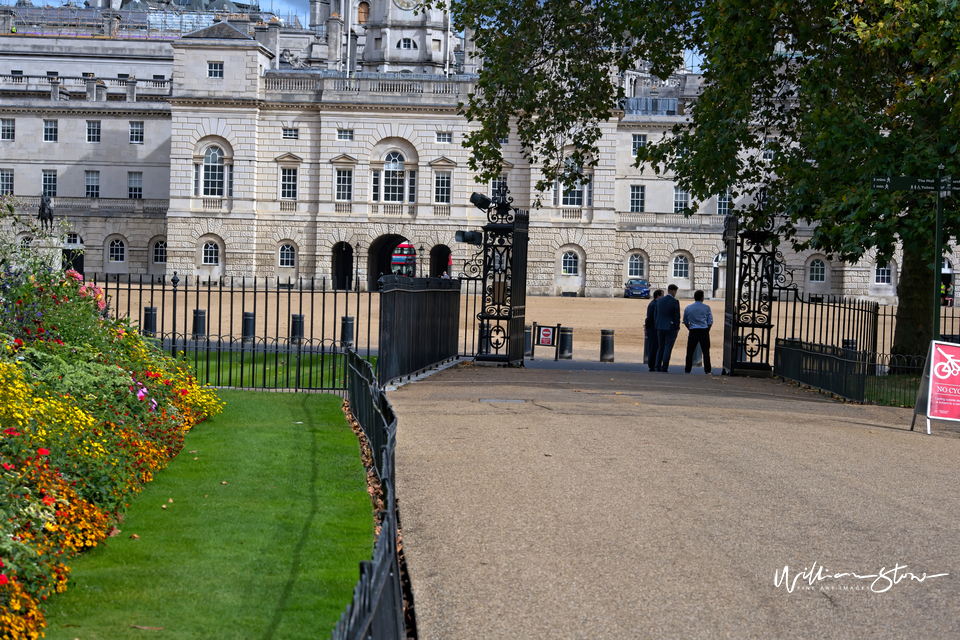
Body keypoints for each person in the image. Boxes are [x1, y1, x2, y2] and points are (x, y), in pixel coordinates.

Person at [683, 289, 713, 374]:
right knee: (706, 352)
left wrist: (690, 328)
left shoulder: (688, 307)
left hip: (693, 330)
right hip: (703, 330)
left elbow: (685, 321)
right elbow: (710, 321)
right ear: (702, 298)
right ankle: (707, 370)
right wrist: (707, 330)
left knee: (690, 351)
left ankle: (687, 369)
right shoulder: (707, 308)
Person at [653, 284, 681, 372]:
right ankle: (664, 367)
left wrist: (656, 323)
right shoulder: (675, 302)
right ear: (674, 292)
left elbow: (655, 314)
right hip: (670, 326)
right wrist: (677, 327)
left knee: (660, 347)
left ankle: (657, 366)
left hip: (659, 325)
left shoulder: (660, 300)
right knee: (667, 347)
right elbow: (677, 317)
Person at [645, 289, 664, 372]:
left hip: (653, 327)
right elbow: (650, 317)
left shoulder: (655, 303)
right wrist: (647, 326)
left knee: (655, 347)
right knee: (653, 347)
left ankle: (654, 364)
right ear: (658, 296)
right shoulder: (654, 305)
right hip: (653, 328)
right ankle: (652, 365)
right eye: (662, 295)